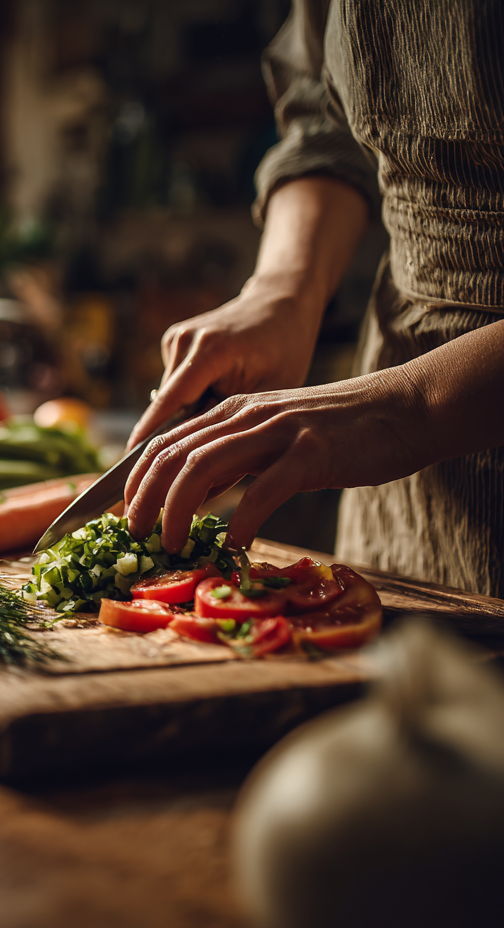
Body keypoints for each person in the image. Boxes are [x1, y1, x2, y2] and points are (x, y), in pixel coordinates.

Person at [122, 0, 504, 597]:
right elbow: (325, 126)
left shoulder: (393, 411)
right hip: (397, 406)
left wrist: (405, 410)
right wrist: (282, 291)